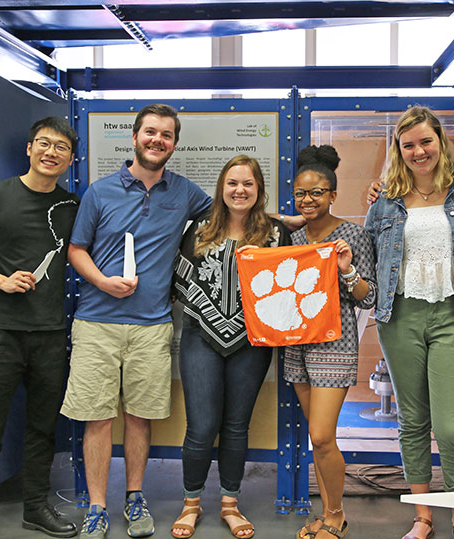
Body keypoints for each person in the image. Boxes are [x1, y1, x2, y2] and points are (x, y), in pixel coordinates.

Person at [59, 104, 211, 539]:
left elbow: (235, 214)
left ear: (174, 144)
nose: (157, 140)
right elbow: (76, 250)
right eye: (150, 132)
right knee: (97, 418)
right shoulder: (100, 192)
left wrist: (297, 221)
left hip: (152, 326)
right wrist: (103, 283)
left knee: (140, 417)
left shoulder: (184, 193)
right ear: (135, 136)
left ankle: (135, 497)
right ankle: (97, 506)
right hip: (96, 324)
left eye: (166, 135)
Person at [0, 117, 79, 539]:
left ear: (70, 159)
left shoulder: (70, 206)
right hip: (0, 334)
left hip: (49, 335)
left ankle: (36, 509)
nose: (51, 152)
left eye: (61, 147)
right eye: (44, 143)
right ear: (29, 148)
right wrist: (0, 280)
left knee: (42, 429)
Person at [365, 107, 454, 539]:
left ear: (441, 141)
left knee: (452, 427)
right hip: (400, 317)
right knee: (412, 421)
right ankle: (423, 517)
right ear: (398, 149)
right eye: (409, 144)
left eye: (426, 141)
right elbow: (372, 262)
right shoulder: (384, 201)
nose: (419, 151)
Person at [170, 155, 292, 538]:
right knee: (201, 427)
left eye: (248, 184)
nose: (240, 190)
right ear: (221, 188)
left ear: (258, 190)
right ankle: (190, 504)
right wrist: (213, 316)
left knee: (237, 427)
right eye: (233, 183)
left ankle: (229, 504)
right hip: (199, 337)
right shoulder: (199, 228)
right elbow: (180, 279)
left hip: (253, 342)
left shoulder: (275, 233)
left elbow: (284, 285)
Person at [285, 145, 377, 539]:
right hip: (296, 345)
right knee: (318, 439)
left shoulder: (354, 234)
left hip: (335, 346)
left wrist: (347, 269)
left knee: (321, 435)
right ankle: (325, 515)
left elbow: (368, 296)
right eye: (301, 193)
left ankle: (337, 515)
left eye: (316, 192)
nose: (308, 200)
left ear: (333, 195)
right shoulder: (293, 237)